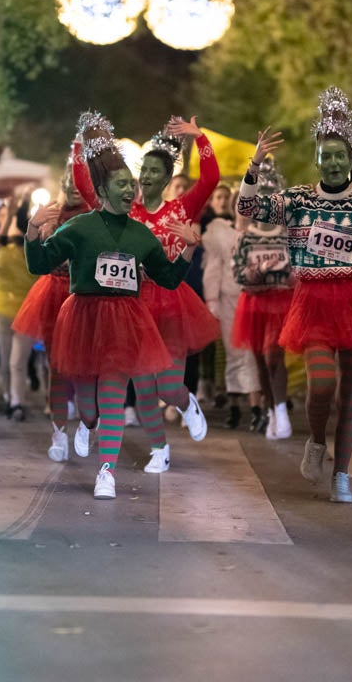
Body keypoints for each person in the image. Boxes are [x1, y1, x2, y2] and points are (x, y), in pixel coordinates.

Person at [237, 88, 352, 503]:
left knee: (351, 395)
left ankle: (341, 473)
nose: (334, 162)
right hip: (315, 302)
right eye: (327, 157)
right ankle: (316, 441)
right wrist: (255, 165)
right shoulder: (299, 199)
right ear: (318, 161)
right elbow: (249, 210)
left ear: (350, 161)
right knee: (322, 384)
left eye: (341, 156)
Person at [25, 129, 199, 499]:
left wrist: (186, 251)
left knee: (113, 396)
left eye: (130, 185)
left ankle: (107, 471)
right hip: (85, 320)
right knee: (88, 406)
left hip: (126, 321)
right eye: (120, 184)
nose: (129, 191)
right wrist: (32, 230)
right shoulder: (79, 227)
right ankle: (87, 424)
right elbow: (39, 263)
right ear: (102, 191)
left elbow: (167, 280)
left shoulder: (141, 235)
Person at [72, 115, 219, 471]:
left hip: (170, 302)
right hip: (132, 308)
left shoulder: (181, 208)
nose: (149, 176)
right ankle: (159, 448)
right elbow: (88, 189)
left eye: (156, 171)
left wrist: (199, 138)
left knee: (168, 387)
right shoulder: (126, 211)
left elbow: (211, 178)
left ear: (168, 179)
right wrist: (78, 146)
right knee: (141, 389)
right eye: (145, 170)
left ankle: (187, 403)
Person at [13, 161, 91, 461]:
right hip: (51, 294)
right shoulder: (50, 212)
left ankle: (87, 422)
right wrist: (35, 227)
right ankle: (59, 433)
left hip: (83, 296)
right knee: (56, 369)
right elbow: (38, 258)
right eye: (68, 179)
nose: (72, 185)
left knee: (85, 368)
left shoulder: (94, 215)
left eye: (79, 180)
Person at [231, 157, 294, 437]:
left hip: (282, 303)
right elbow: (239, 274)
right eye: (261, 198)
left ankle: (281, 409)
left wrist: (285, 271)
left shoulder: (290, 234)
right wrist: (257, 273)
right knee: (260, 361)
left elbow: (299, 268)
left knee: (273, 358)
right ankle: (270, 409)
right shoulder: (245, 236)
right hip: (254, 305)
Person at [202, 184, 258, 429]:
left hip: (256, 300)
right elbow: (213, 269)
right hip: (229, 300)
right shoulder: (221, 234)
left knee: (255, 355)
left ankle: (258, 406)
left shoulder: (260, 235)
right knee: (234, 351)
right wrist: (211, 300)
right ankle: (235, 406)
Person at [0, 187, 39, 421]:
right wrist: (8, 213)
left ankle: (17, 401)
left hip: (25, 306)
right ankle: (10, 397)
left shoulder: (30, 234)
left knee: (17, 361)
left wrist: (23, 202)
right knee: (6, 358)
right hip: (1, 305)